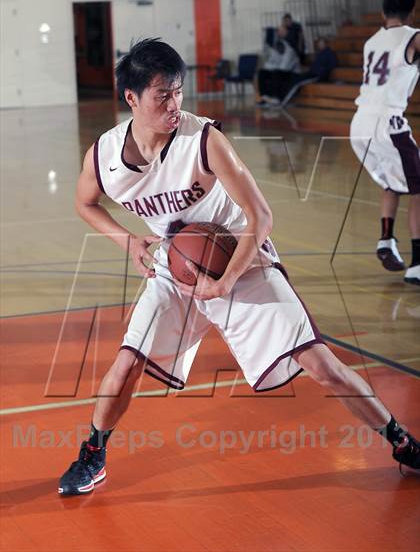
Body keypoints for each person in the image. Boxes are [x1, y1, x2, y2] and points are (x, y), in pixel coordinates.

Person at [58, 38, 419, 496]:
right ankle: (94, 454)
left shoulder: (203, 140)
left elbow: (261, 217)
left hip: (240, 260)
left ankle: (400, 441)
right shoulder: (104, 156)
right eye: (161, 95)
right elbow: (84, 203)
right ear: (131, 98)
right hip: (179, 269)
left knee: (320, 363)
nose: (175, 104)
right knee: (126, 364)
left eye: (179, 91)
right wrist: (127, 240)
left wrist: (225, 281)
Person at [350, 0, 420, 285]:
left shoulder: (371, 41)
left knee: (393, 180)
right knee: (418, 190)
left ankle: (386, 240)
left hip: (360, 122)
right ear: (412, 12)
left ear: (383, 13)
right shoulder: (413, 36)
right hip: (387, 123)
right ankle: (418, 263)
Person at [258, 37, 337, 107]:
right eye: (319, 43)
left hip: (318, 75)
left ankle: (281, 100)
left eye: (321, 43)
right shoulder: (319, 53)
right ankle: (273, 97)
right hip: (311, 73)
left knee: (296, 82)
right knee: (291, 79)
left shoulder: (330, 53)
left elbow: (333, 64)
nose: (320, 45)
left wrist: (323, 70)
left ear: (325, 44)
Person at [256, 24, 301, 104]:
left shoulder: (289, 49)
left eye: (281, 31)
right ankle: (264, 96)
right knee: (262, 72)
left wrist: (274, 69)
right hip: (281, 70)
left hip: (293, 72)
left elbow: (284, 67)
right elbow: (270, 63)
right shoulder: (277, 47)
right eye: (278, 31)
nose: (279, 33)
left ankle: (277, 97)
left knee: (277, 73)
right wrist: (268, 69)